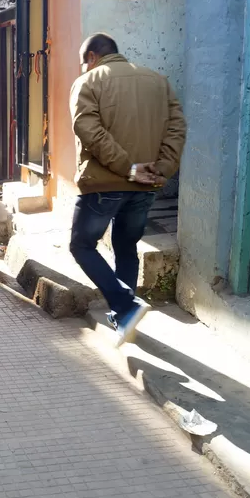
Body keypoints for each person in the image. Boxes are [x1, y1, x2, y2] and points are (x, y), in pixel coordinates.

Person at [69, 33, 186, 346]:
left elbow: (88, 131)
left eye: (84, 62)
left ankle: (124, 304)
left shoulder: (89, 82)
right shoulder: (158, 82)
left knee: (81, 245)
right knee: (126, 246)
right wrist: (160, 169)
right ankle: (125, 319)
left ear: (92, 57)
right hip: (146, 186)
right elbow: (177, 129)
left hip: (106, 184)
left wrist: (127, 167)